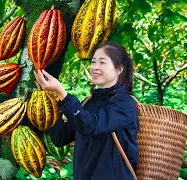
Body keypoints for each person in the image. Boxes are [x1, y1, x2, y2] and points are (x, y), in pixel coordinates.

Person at [34, 41, 139, 180]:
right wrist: (50, 103)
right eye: (94, 62)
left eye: (102, 62)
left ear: (119, 69)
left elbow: (91, 126)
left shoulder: (125, 103)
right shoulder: (89, 102)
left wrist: (62, 94)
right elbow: (61, 138)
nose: (95, 67)